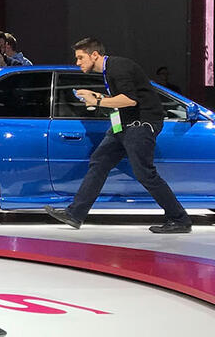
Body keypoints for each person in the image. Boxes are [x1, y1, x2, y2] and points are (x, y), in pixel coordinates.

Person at [44, 37, 192, 234]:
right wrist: (97, 96)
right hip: (124, 124)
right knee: (99, 162)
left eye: (80, 58)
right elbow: (123, 98)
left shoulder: (119, 68)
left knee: (145, 173)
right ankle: (75, 214)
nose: (77, 62)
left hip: (140, 124)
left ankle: (180, 219)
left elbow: (129, 100)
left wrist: (97, 102)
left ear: (94, 55)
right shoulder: (110, 70)